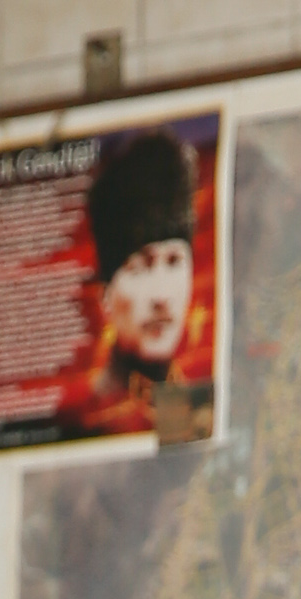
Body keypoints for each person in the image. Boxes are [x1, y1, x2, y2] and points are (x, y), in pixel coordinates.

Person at [82, 130, 206, 424]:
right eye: (140, 268)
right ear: (105, 296)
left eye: (174, 261)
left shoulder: (194, 404)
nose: (161, 297)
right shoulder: (87, 417)